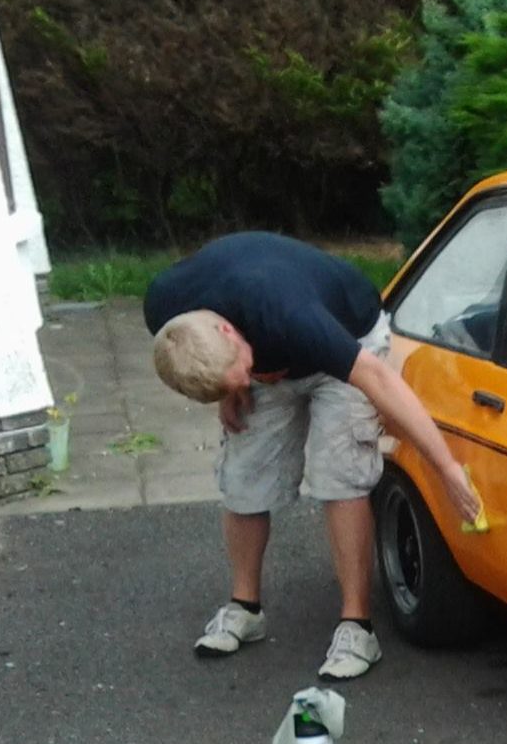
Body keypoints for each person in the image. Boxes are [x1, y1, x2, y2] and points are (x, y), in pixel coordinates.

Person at [144, 232, 482, 679]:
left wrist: (447, 468)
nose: (246, 379)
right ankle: (245, 608)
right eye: (237, 377)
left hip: (347, 333)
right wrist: (228, 389)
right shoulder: (168, 314)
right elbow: (203, 362)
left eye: (243, 371)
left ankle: (356, 625)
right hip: (267, 337)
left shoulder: (291, 314)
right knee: (243, 476)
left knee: (339, 473)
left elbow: (377, 379)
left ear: (229, 329)